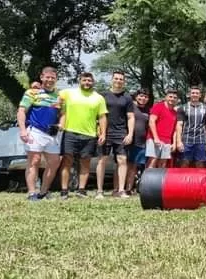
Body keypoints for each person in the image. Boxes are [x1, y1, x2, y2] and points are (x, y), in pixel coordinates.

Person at [59, 72, 108, 198]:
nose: (87, 83)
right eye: (84, 80)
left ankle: (81, 190)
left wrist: (103, 133)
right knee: (66, 161)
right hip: (70, 132)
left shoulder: (99, 98)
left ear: (93, 82)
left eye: (89, 81)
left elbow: (102, 116)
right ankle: (64, 191)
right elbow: (53, 94)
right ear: (79, 81)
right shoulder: (68, 93)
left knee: (85, 162)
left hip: (89, 135)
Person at [16, 66, 62, 200]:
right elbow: (21, 111)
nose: (50, 80)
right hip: (35, 131)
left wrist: (60, 125)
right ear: (41, 77)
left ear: (56, 79)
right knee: (34, 161)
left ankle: (43, 192)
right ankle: (32, 193)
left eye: (53, 78)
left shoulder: (59, 96)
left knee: (54, 162)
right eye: (47, 77)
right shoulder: (32, 92)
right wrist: (23, 130)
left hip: (51, 133)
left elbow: (62, 113)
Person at [95, 71, 134, 199]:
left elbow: (130, 117)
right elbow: (98, 116)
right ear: (111, 80)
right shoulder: (103, 95)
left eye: (121, 79)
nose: (118, 81)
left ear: (124, 81)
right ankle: (99, 191)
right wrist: (100, 131)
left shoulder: (127, 97)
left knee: (122, 160)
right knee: (102, 160)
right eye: (116, 78)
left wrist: (130, 134)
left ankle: (121, 190)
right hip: (105, 133)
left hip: (121, 133)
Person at [175, 86, 206, 168]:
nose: (195, 95)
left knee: (200, 163)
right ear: (189, 94)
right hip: (186, 139)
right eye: (193, 93)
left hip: (201, 140)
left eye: (197, 93)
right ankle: (183, 181)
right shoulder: (182, 108)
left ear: (200, 95)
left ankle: (200, 181)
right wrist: (179, 141)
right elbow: (179, 125)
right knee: (184, 162)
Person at [125, 89, 150, 195]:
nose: (143, 98)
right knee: (131, 166)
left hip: (143, 142)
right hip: (132, 141)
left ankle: (140, 189)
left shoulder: (148, 110)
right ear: (136, 97)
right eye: (140, 96)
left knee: (141, 166)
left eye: (145, 97)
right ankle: (128, 189)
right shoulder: (131, 107)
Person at [146, 89, 178, 168]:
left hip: (167, 141)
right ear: (166, 97)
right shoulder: (159, 106)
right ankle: (148, 180)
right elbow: (151, 121)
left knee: (163, 163)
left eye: (174, 97)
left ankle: (159, 181)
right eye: (170, 97)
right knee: (153, 160)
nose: (172, 99)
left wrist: (174, 143)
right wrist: (156, 138)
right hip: (154, 138)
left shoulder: (175, 112)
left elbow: (175, 130)